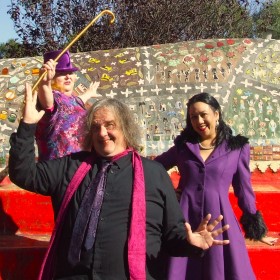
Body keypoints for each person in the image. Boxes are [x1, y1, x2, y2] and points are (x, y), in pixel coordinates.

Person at [9, 84, 230, 280]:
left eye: (110, 125)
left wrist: (191, 243)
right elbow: (24, 174)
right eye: (95, 127)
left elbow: (173, 235)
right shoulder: (70, 166)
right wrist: (27, 125)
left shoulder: (154, 174)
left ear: (125, 127)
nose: (102, 133)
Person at [155, 92, 278, 280]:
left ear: (217, 114)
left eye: (203, 114)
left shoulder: (236, 148)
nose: (199, 121)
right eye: (193, 117)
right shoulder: (183, 147)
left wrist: (256, 228)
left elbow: (244, 189)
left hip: (221, 219)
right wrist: (170, 193)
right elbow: (153, 168)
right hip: (185, 218)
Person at [36, 49, 100, 161]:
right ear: (52, 77)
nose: (68, 77)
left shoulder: (73, 99)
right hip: (58, 167)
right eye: (61, 74)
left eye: (70, 73)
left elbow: (76, 102)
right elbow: (48, 104)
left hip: (80, 164)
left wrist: (89, 93)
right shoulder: (53, 97)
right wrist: (44, 83)